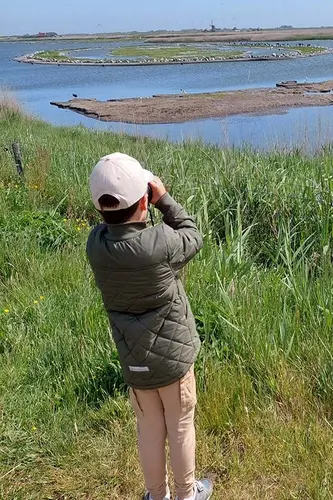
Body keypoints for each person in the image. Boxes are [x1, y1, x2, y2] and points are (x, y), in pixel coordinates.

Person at [86, 152, 213, 500]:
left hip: (134, 360)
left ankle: (157, 495)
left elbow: (113, 224)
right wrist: (164, 199)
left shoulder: (96, 246)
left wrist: (140, 200)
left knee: (149, 430)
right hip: (173, 360)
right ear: (144, 201)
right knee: (181, 426)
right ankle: (187, 494)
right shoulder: (159, 242)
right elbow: (193, 234)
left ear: (100, 208)